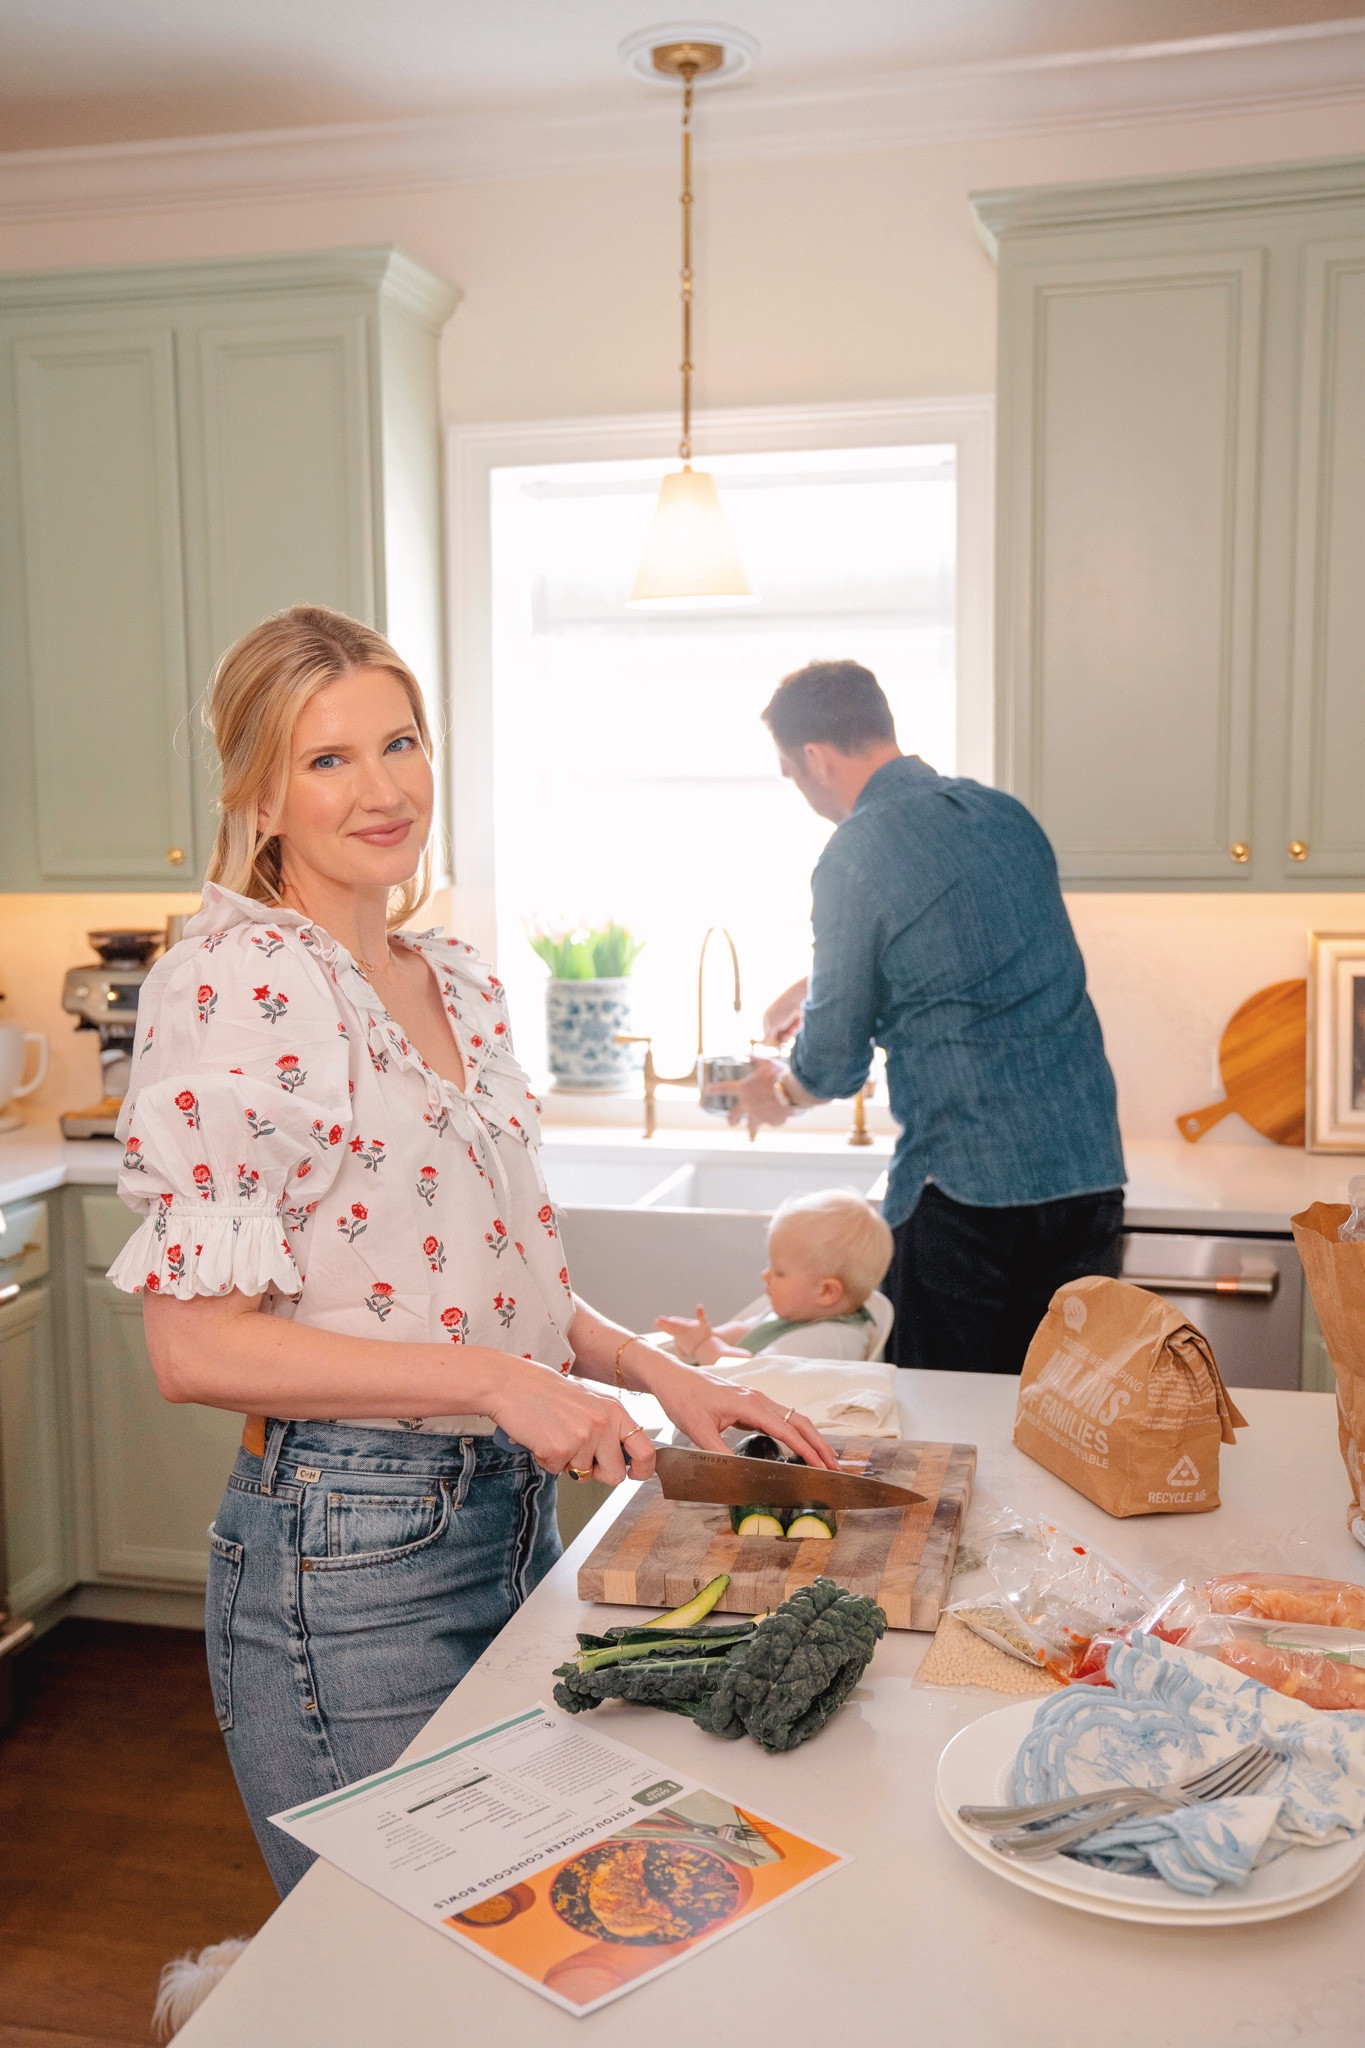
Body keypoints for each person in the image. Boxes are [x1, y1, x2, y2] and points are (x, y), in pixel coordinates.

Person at [109, 605, 835, 1897]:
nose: (383, 790)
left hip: (506, 1521)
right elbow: (194, 1348)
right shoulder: (242, 981)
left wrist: (646, 1368)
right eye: (328, 759)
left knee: (530, 1930)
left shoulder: (453, 978)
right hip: (346, 1556)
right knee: (406, 1952)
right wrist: (502, 1385)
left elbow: (490, 1277)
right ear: (260, 795)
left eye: (401, 743)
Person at [716, 658, 1126, 1376]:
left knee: (946, 1418)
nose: (800, 790)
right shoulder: (1003, 815)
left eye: (790, 773)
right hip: (1086, 1175)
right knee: (1067, 1412)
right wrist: (815, 984)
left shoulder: (854, 851)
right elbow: (971, 947)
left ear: (815, 757)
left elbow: (832, 1064)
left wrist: (777, 1092)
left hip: (971, 1193)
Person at [655, 1188, 894, 1367]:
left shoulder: (830, 1340)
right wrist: (708, 1335)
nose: (766, 1275)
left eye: (779, 1272)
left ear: (826, 1292)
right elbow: (745, 1330)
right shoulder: (801, 1311)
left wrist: (704, 1346)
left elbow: (751, 1373)